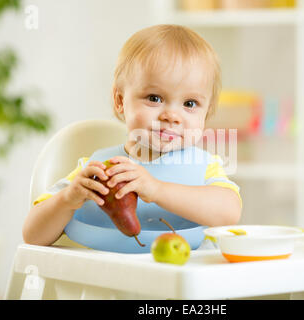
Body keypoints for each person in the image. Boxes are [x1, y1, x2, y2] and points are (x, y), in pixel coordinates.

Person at [22, 24, 242, 248]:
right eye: (154, 98)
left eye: (190, 103)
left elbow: (229, 212)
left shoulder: (203, 166)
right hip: (105, 279)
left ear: (208, 112)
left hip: (182, 276)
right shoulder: (97, 170)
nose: (172, 116)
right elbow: (33, 236)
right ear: (120, 101)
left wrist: (156, 189)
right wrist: (67, 199)